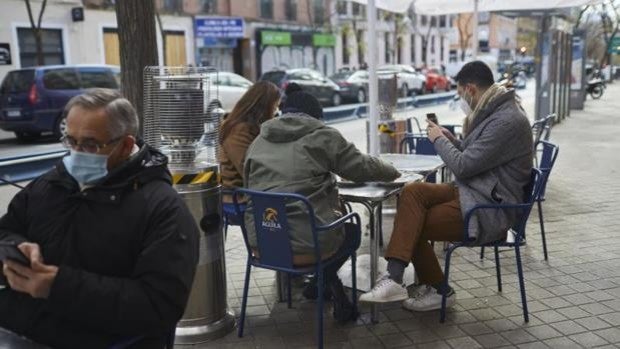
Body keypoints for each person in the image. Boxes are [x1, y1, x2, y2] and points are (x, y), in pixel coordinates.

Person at [0, 89, 199, 348]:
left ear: (126, 145)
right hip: (16, 329)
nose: (77, 153)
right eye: (70, 141)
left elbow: (158, 306)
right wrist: (14, 252)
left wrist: (58, 287)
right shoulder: (48, 186)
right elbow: (5, 231)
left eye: (90, 144)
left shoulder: (163, 210)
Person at [360, 61, 533, 312]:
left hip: (488, 208)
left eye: (460, 92)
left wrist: (439, 141)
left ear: (471, 89)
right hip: (473, 193)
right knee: (412, 191)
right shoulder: (494, 112)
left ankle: (438, 290)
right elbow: (476, 156)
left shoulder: (506, 120)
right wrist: (451, 139)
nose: (460, 98)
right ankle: (394, 279)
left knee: (411, 224)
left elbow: (463, 166)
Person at [243, 85, 400, 322]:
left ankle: (319, 285)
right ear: (316, 117)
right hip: (308, 247)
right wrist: (393, 171)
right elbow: (360, 167)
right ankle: (322, 281)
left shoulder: (257, 142)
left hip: (262, 246)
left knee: (310, 225)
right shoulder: (324, 136)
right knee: (352, 229)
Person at [218, 80, 281, 219]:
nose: (276, 112)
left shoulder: (252, 127)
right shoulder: (238, 131)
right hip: (238, 196)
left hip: (251, 191)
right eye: (275, 106)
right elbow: (248, 169)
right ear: (264, 107)